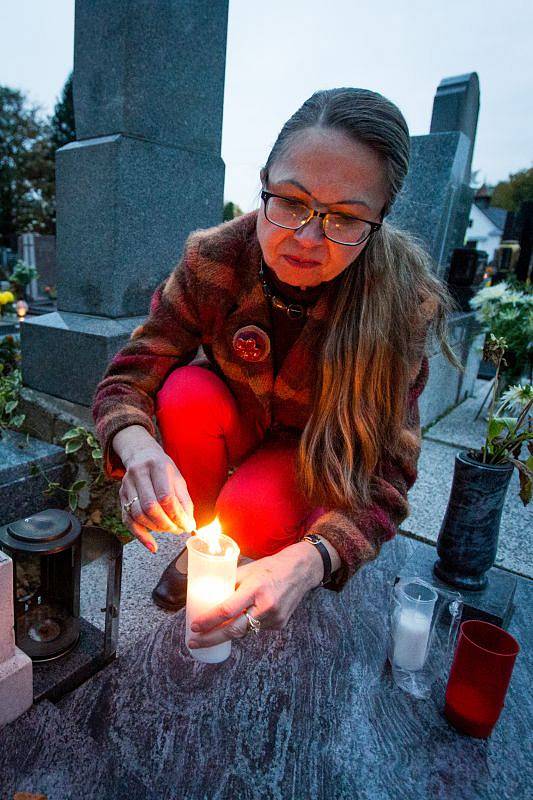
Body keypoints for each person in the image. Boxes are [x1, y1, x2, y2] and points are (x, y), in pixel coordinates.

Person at [92, 87, 456, 652]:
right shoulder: (213, 260)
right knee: (185, 391)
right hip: (234, 421)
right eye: (290, 201)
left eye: (346, 218)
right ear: (262, 180)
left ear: (380, 219)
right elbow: (131, 372)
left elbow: (389, 474)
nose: (308, 239)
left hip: (311, 453)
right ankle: (206, 543)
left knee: (253, 511)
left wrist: (312, 561)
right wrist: (136, 447)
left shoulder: (398, 304)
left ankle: (254, 540)